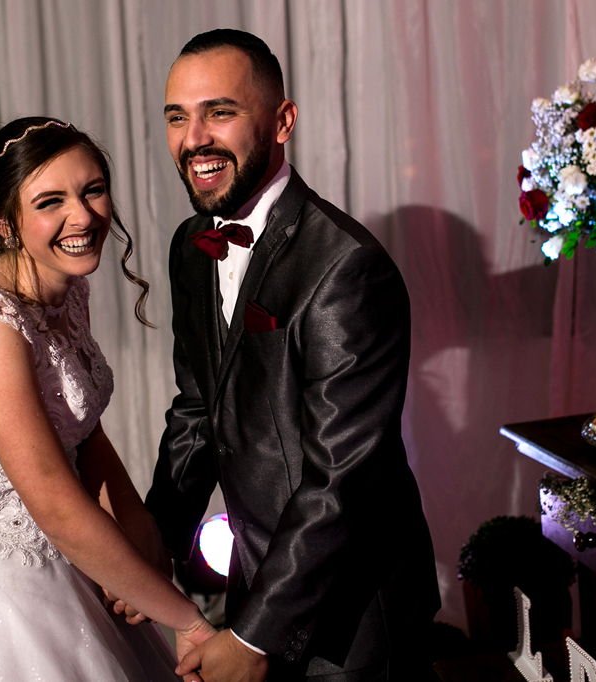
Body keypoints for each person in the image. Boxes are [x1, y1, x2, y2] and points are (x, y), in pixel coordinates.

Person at [143, 29, 441, 681]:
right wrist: (150, 545)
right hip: (258, 581)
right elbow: (198, 410)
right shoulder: (190, 244)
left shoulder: (347, 268)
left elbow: (344, 479)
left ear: (282, 122)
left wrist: (252, 639)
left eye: (219, 112)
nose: (194, 138)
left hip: (354, 619)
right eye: (177, 116)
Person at [0, 116, 217, 681]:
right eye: (50, 201)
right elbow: (54, 504)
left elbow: (84, 433)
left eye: (92, 189)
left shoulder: (66, 293)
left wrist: (147, 550)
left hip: (71, 560)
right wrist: (185, 619)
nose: (84, 216)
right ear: (2, 222)